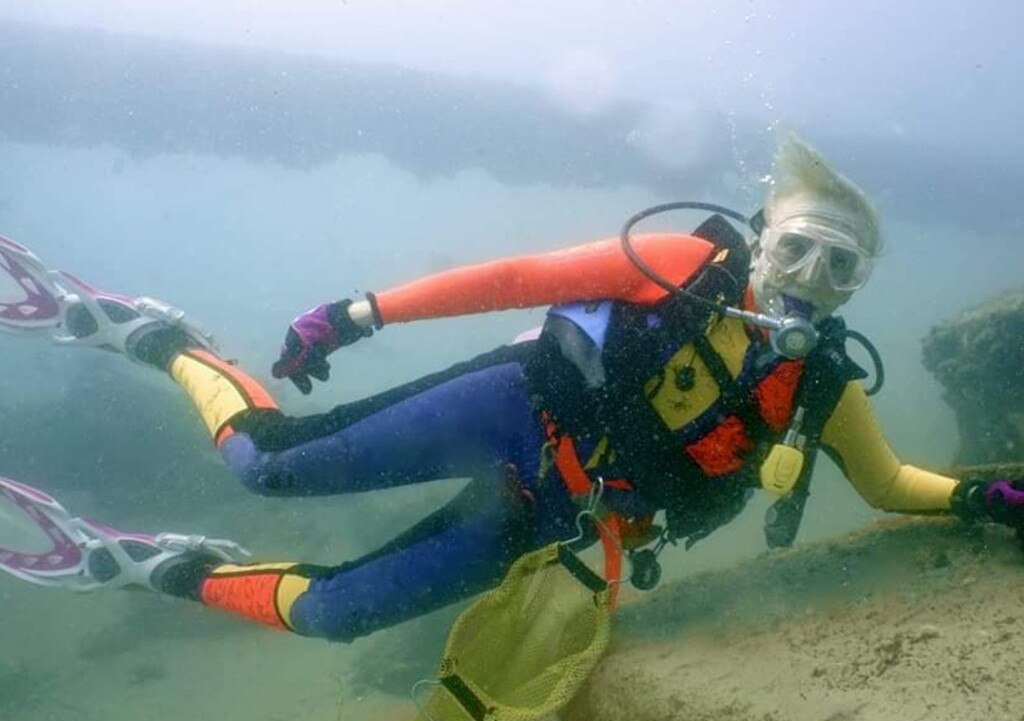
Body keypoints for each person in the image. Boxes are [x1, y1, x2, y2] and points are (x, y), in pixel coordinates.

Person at [3, 134, 1023, 643]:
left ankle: (152, 571)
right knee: (262, 467)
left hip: (551, 507)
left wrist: (982, 494)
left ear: (856, 289)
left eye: (840, 270)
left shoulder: (819, 384)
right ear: (761, 241)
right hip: (508, 409)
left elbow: (888, 482)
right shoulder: (675, 261)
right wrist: (358, 314)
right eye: (799, 250)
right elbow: (514, 280)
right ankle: (159, 336)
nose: (810, 282)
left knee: (336, 619)